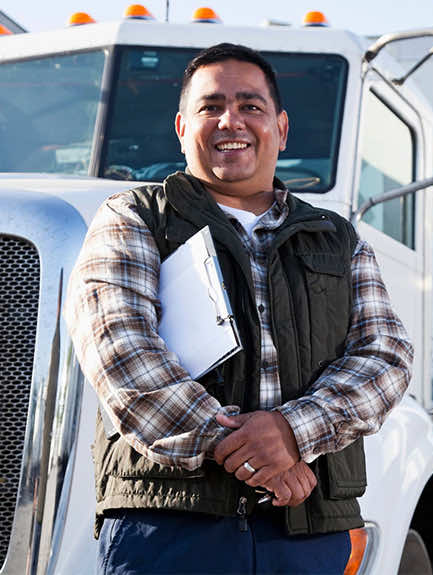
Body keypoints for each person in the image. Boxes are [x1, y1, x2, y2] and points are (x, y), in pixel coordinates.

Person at [64, 43, 414, 575]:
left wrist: (294, 432)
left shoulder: (340, 240)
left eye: (251, 105)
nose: (231, 120)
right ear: (182, 127)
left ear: (282, 127)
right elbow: (121, 353)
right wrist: (261, 459)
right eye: (211, 107)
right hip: (169, 526)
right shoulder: (132, 218)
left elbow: (385, 357)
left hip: (309, 528)